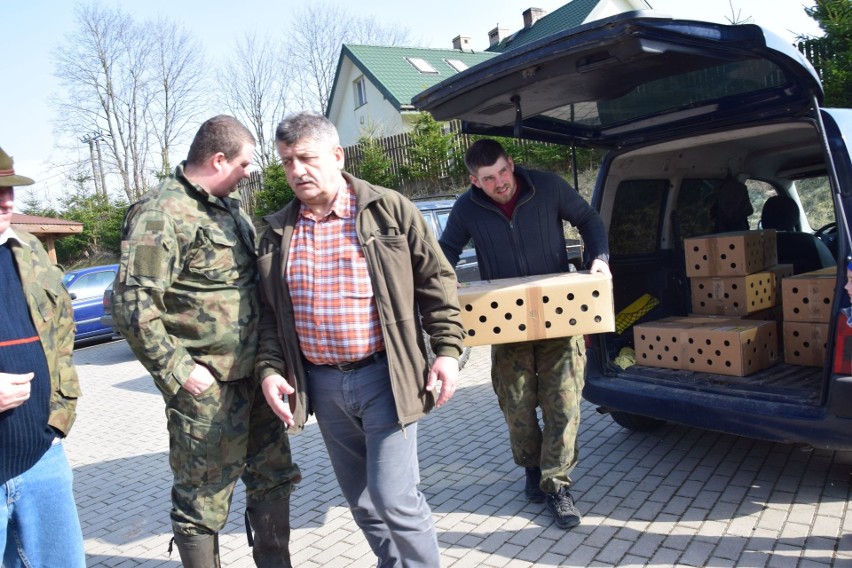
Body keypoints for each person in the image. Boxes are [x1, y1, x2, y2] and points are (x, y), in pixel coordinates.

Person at [256, 111, 465, 567]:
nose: (297, 171)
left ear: (336, 155)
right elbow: (270, 317)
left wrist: (447, 351)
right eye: (287, 161)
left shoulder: (388, 210)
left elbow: (438, 283)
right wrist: (271, 370)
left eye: (306, 158)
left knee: (394, 498)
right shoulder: (276, 232)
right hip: (323, 386)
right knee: (363, 503)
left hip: (384, 378)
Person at [112, 116, 301, 567]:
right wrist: (179, 370)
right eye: (244, 164)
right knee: (202, 502)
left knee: (274, 478)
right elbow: (133, 304)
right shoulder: (162, 214)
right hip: (208, 392)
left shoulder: (229, 208)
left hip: (257, 379)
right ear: (218, 160)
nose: (249, 172)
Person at [439, 139, 611, 530]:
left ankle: (556, 484)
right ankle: (532, 469)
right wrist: (440, 287)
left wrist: (598, 258)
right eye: (489, 178)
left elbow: (589, 219)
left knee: (563, 405)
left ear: (511, 163)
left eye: (503, 171)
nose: (500, 182)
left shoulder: (546, 187)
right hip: (506, 322)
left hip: (559, 316)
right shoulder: (468, 208)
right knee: (517, 405)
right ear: (474, 180)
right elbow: (445, 251)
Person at [0, 147, 85, 567]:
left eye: (9, 190)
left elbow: (62, 333)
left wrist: (60, 416)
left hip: (41, 458)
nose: (6, 201)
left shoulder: (29, 249)